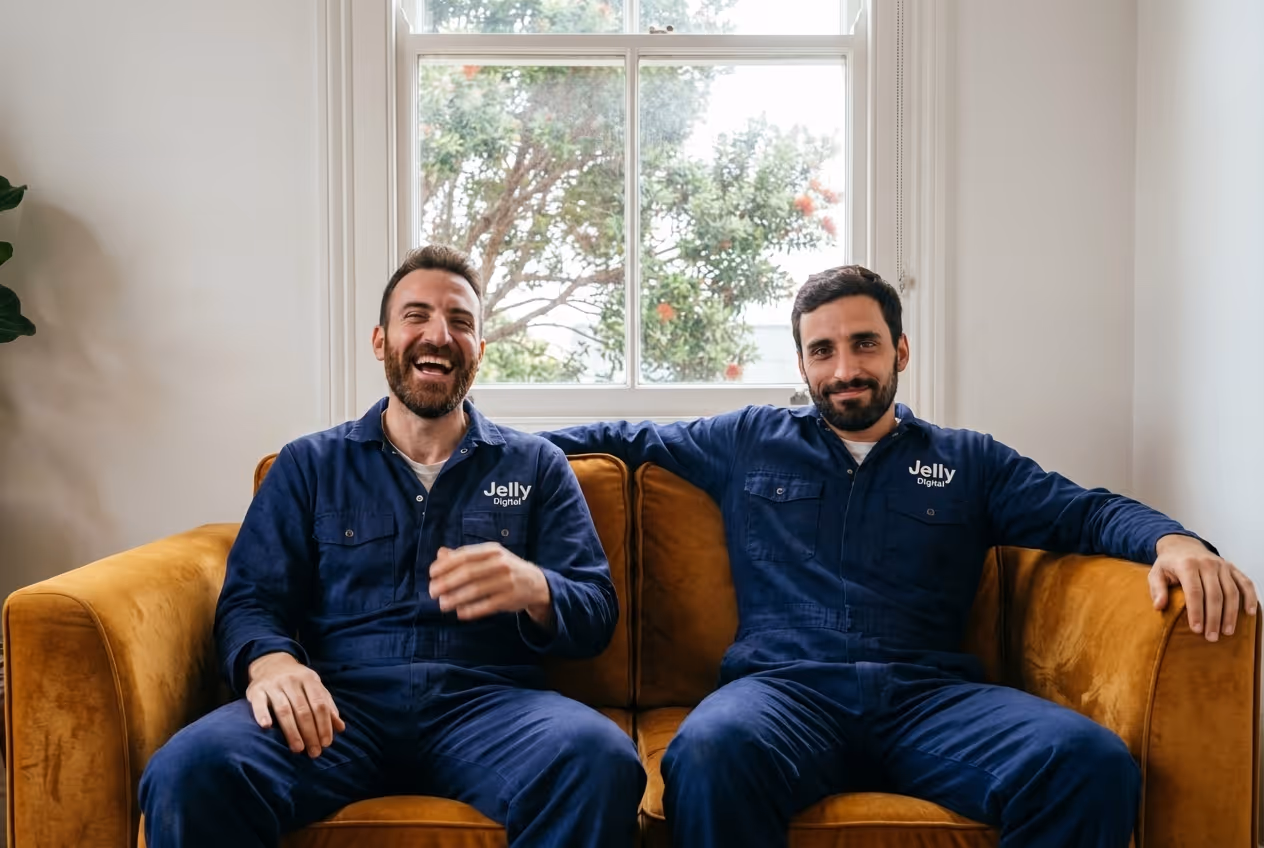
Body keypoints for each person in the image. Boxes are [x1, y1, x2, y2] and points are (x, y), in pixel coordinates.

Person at [540, 264, 1258, 848]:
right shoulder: (748, 439)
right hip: (785, 694)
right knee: (707, 753)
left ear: (900, 351)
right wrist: (479, 447)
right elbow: (621, 436)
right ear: (802, 362)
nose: (844, 367)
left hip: (930, 700)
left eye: (864, 344)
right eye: (823, 351)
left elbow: (1085, 510)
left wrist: (1174, 541)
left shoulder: (968, 460)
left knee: (1089, 765)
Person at [139, 245, 645, 848]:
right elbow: (251, 598)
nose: (440, 333)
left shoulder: (537, 466)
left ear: (479, 350)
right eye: (417, 315)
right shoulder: (309, 464)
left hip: (488, 706)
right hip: (337, 709)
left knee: (600, 760)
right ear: (381, 341)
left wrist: (536, 589)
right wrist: (270, 662)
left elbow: (594, 614)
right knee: (189, 769)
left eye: (460, 322)